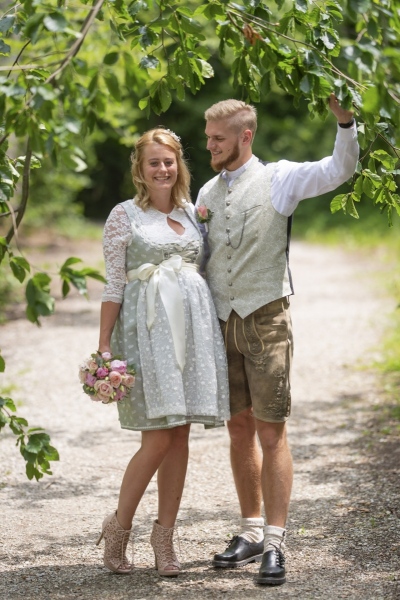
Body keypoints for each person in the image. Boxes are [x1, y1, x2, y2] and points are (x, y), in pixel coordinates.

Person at [195, 94, 359, 586]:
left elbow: (338, 169)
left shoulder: (280, 178)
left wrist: (346, 121)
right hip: (222, 323)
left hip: (267, 320)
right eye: (208, 138)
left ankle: (275, 541)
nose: (210, 146)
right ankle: (247, 530)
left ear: (246, 137)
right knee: (238, 429)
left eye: (218, 139)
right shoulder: (205, 190)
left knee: (271, 432)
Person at [95, 127, 230, 577]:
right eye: (153, 161)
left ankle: (165, 538)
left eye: (168, 161)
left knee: (181, 434)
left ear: (179, 165)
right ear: (140, 167)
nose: (162, 168)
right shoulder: (124, 215)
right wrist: (103, 345)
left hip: (192, 331)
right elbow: (115, 284)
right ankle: (118, 528)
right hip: (146, 330)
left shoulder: (194, 214)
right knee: (156, 437)